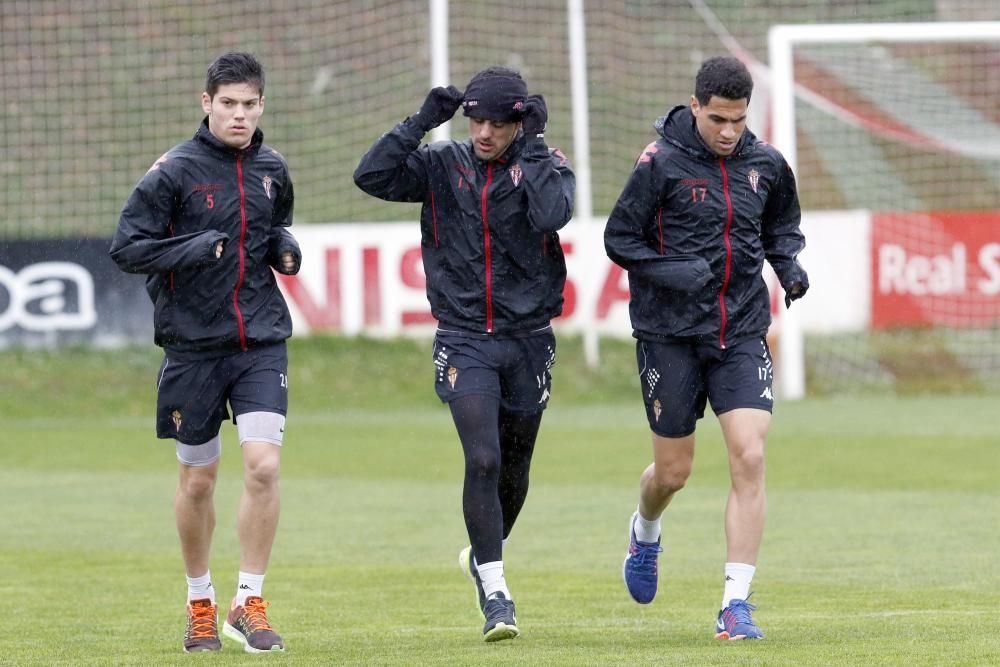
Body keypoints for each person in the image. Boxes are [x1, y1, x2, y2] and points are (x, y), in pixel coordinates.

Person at [354, 66, 574, 642]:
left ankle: (483, 557)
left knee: (516, 464)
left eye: (497, 123)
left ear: (518, 122)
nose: (483, 132)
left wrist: (536, 148)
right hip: (463, 337)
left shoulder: (544, 165)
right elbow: (370, 175)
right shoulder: (440, 164)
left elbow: (554, 215)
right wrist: (422, 122)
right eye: (475, 120)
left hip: (529, 339)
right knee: (483, 458)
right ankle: (497, 592)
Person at [604, 56, 808, 640]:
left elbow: (780, 229)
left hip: (741, 331)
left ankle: (735, 605)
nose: (728, 131)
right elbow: (619, 239)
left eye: (738, 121)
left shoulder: (767, 164)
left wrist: (789, 266)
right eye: (717, 118)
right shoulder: (659, 163)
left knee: (749, 455)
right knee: (674, 472)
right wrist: (671, 271)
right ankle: (645, 531)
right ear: (694, 106)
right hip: (669, 335)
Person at [110, 51, 300, 654]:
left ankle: (249, 602)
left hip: (260, 342)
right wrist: (192, 249)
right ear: (206, 104)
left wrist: (285, 248)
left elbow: (273, 230)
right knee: (198, 480)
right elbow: (127, 247)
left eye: (249, 105)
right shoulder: (173, 171)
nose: (239, 115)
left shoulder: (273, 168)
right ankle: (200, 602)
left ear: (261, 105)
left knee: (264, 467)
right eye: (228, 104)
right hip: (193, 349)